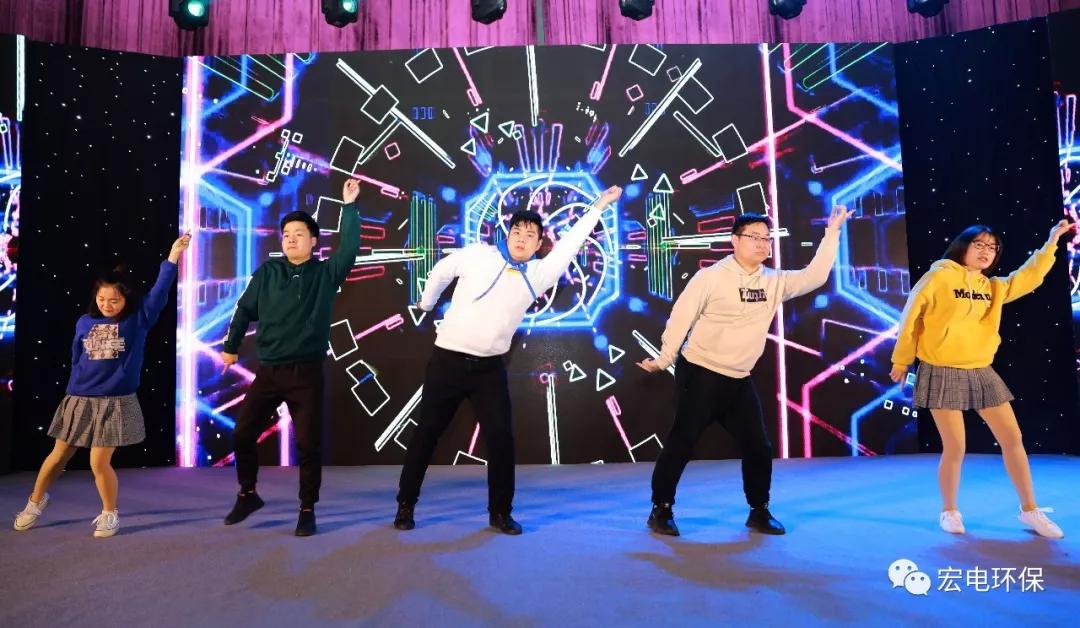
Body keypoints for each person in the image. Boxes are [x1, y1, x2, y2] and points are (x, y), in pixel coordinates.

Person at [394, 186, 623, 535]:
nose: (521, 239)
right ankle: (405, 505)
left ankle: (500, 513)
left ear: (539, 244)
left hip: (489, 369)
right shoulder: (478, 254)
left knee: (501, 440)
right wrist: (426, 303)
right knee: (426, 434)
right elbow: (441, 270)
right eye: (517, 231)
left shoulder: (539, 274)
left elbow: (571, 243)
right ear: (507, 233)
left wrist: (600, 205)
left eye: (530, 235)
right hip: (448, 361)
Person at [638, 206, 853, 536]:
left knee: (758, 446)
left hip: (739, 378)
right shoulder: (710, 277)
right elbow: (680, 317)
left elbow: (815, 276)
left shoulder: (773, 280)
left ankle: (759, 511)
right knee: (683, 442)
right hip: (700, 373)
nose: (762, 244)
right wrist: (665, 358)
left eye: (766, 238)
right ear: (734, 240)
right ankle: (661, 509)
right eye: (754, 237)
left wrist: (833, 232)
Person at [890, 219, 1074, 539]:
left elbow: (1027, 276)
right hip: (942, 368)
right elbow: (910, 316)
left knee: (1013, 438)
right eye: (980, 245)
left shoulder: (992, 287)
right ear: (963, 246)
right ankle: (949, 511)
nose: (986, 251)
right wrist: (902, 359)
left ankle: (1030, 510)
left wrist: (1051, 242)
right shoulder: (938, 276)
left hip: (980, 368)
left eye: (993, 247)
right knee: (955, 446)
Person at [14, 233, 192, 538]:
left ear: (125, 300)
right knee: (57, 456)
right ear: (95, 297)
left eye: (114, 300)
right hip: (80, 398)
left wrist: (173, 256)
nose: (107, 305)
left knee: (98, 461)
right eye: (102, 299)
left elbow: (160, 291)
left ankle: (110, 514)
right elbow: (76, 356)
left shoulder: (138, 319)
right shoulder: (84, 322)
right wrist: (77, 386)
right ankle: (35, 502)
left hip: (114, 401)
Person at [220, 179, 361, 537]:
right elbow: (244, 310)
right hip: (269, 371)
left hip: (306, 373)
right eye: (286, 235)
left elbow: (349, 249)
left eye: (299, 234)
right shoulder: (268, 272)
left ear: (314, 241)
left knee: (308, 445)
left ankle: (307, 508)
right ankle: (248, 494)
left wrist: (349, 207)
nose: (291, 239)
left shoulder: (325, 273)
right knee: (242, 433)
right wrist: (231, 345)